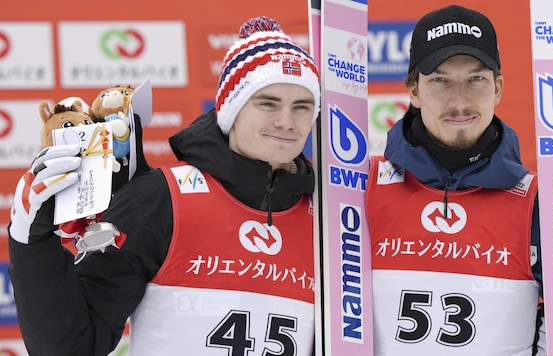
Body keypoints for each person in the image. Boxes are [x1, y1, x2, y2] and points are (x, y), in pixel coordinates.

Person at [8, 16, 320, 356]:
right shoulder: (162, 199)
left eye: (301, 107)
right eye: (268, 103)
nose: (286, 122)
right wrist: (31, 242)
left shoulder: (330, 219)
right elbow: (73, 345)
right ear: (232, 109)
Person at [365, 5, 553, 355]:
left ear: (498, 88)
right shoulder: (359, 189)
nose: (459, 101)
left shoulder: (544, 207)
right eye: (440, 80)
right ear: (414, 90)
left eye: (476, 79)